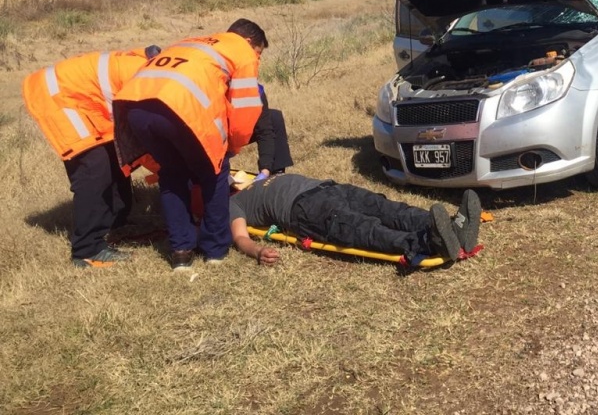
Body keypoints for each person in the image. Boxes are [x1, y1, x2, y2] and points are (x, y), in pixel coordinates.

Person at [113, 18, 269, 270]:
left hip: (134, 108)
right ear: (250, 41)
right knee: (214, 173)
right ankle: (215, 250)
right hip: (179, 109)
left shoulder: (193, 42)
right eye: (259, 53)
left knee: (172, 175)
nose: (257, 59)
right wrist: (232, 147)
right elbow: (245, 109)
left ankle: (181, 252)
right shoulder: (242, 51)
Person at [22, 44, 161, 268]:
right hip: (60, 97)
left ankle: (117, 224)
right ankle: (87, 250)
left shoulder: (157, 75)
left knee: (114, 159)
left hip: (89, 101)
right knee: (94, 171)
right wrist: (168, 170)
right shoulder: (147, 84)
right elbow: (141, 144)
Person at [229, 173, 481, 268]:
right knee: (362, 228)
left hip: (329, 188)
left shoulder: (252, 180)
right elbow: (240, 238)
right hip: (306, 210)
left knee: (389, 208)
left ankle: (449, 225)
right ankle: (428, 242)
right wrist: (258, 251)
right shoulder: (232, 205)